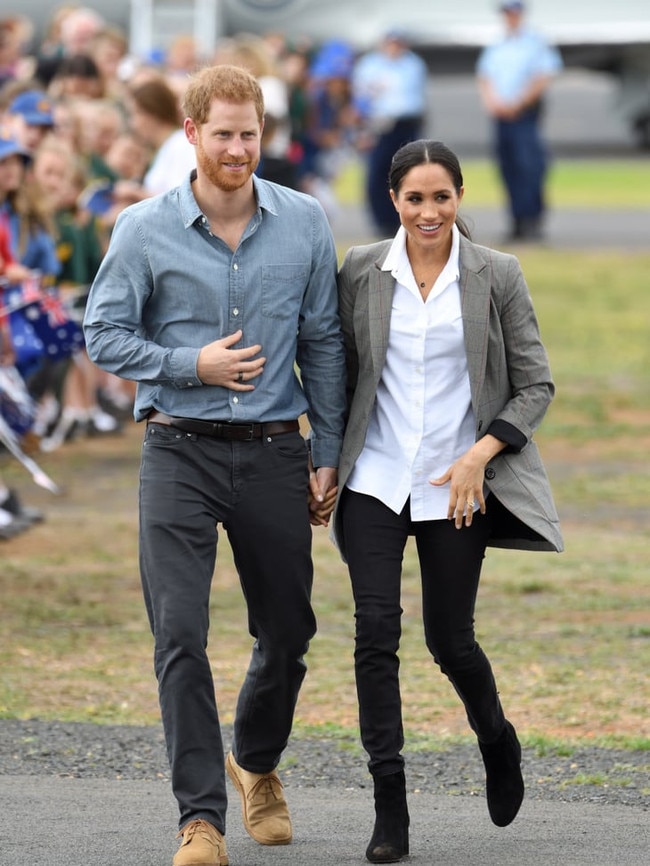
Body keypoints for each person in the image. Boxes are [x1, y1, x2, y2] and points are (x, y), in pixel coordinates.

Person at [83, 63, 346, 866]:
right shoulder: (142, 227)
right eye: (224, 134)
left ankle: (256, 762)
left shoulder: (304, 222)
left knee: (289, 632)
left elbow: (325, 342)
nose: (238, 149)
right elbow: (103, 334)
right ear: (190, 134)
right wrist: (189, 363)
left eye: (250, 133)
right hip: (178, 450)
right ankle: (199, 821)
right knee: (180, 636)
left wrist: (326, 452)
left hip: (274, 451)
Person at [327, 139, 563, 863]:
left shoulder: (496, 274)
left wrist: (479, 454)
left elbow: (535, 385)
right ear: (394, 200)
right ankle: (389, 806)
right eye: (414, 198)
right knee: (374, 634)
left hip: (458, 485)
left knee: (449, 642)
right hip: (374, 478)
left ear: (459, 198)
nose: (429, 211)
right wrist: (321, 462)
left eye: (442, 197)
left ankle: (497, 739)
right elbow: (337, 375)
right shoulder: (364, 269)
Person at [476, 1, 563, 241]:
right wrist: (493, 102)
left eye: (513, 13)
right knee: (508, 167)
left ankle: (532, 220)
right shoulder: (497, 44)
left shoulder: (535, 42)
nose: (510, 18)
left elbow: (543, 76)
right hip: (501, 114)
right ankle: (516, 219)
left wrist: (519, 103)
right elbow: (485, 77)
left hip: (524, 114)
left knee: (530, 166)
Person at [351, 29, 428, 238]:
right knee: (378, 172)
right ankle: (383, 221)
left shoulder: (413, 64)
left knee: (408, 172)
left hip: (406, 123)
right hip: (379, 125)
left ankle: (407, 216)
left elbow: (417, 98)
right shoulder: (370, 65)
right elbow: (361, 100)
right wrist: (361, 132)